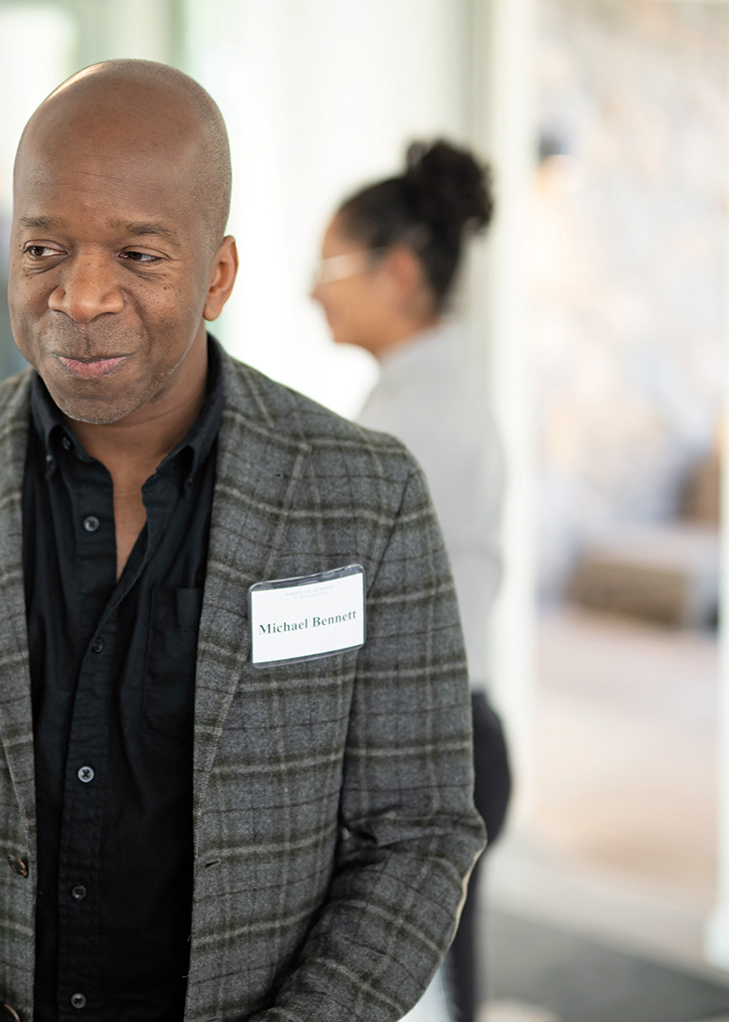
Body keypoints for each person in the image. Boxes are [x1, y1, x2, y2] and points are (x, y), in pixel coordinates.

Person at [0, 60, 487, 1022]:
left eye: (138, 256)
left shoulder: (365, 498)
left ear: (217, 275)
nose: (80, 296)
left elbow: (416, 832)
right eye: (44, 250)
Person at [311, 140, 512, 1022]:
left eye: (330, 264)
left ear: (396, 272)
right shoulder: (420, 399)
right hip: (459, 735)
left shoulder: (414, 424)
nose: (312, 287)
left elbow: (339, 599)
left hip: (438, 747)